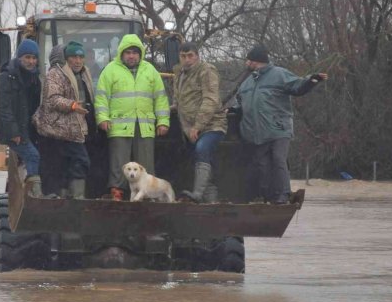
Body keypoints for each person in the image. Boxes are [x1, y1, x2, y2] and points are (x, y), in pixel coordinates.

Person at [235, 43, 328, 204]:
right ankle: (266, 196)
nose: (246, 63)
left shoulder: (279, 74)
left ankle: (283, 194)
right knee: (261, 164)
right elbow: (240, 104)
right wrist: (233, 111)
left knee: (278, 159)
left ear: (255, 61)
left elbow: (298, 86)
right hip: (257, 132)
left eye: (248, 60)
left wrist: (312, 80)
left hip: (278, 129)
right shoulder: (247, 83)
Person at [95, 34, 170, 201]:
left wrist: (163, 121)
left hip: (145, 125)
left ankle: (148, 194)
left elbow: (160, 98)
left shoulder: (150, 70)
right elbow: (101, 97)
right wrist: (102, 118)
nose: (131, 56)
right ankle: (117, 192)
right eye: (128, 52)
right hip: (118, 125)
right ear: (121, 53)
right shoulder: (110, 70)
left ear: (140, 54)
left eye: (135, 52)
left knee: (145, 164)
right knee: (119, 163)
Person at [33, 41, 95, 198]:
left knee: (75, 163)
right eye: (74, 56)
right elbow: (52, 99)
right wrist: (73, 105)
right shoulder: (55, 74)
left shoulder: (83, 74)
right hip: (56, 128)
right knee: (68, 164)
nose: (78, 60)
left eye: (81, 57)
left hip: (75, 129)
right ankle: (69, 197)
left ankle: (71, 197)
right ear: (66, 59)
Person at [172, 41, 227, 203]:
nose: (187, 59)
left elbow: (210, 99)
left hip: (212, 125)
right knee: (198, 158)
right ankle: (211, 200)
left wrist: (198, 126)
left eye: (190, 56)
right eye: (183, 56)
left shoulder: (206, 71)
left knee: (202, 150)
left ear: (197, 56)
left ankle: (197, 194)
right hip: (189, 128)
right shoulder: (179, 74)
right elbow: (179, 101)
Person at [0, 38, 43, 197]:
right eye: (27, 57)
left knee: (38, 155)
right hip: (14, 132)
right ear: (19, 57)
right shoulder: (7, 78)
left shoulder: (35, 78)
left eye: (34, 58)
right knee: (32, 155)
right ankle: (33, 194)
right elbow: (4, 108)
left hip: (29, 129)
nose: (31, 61)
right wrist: (14, 132)